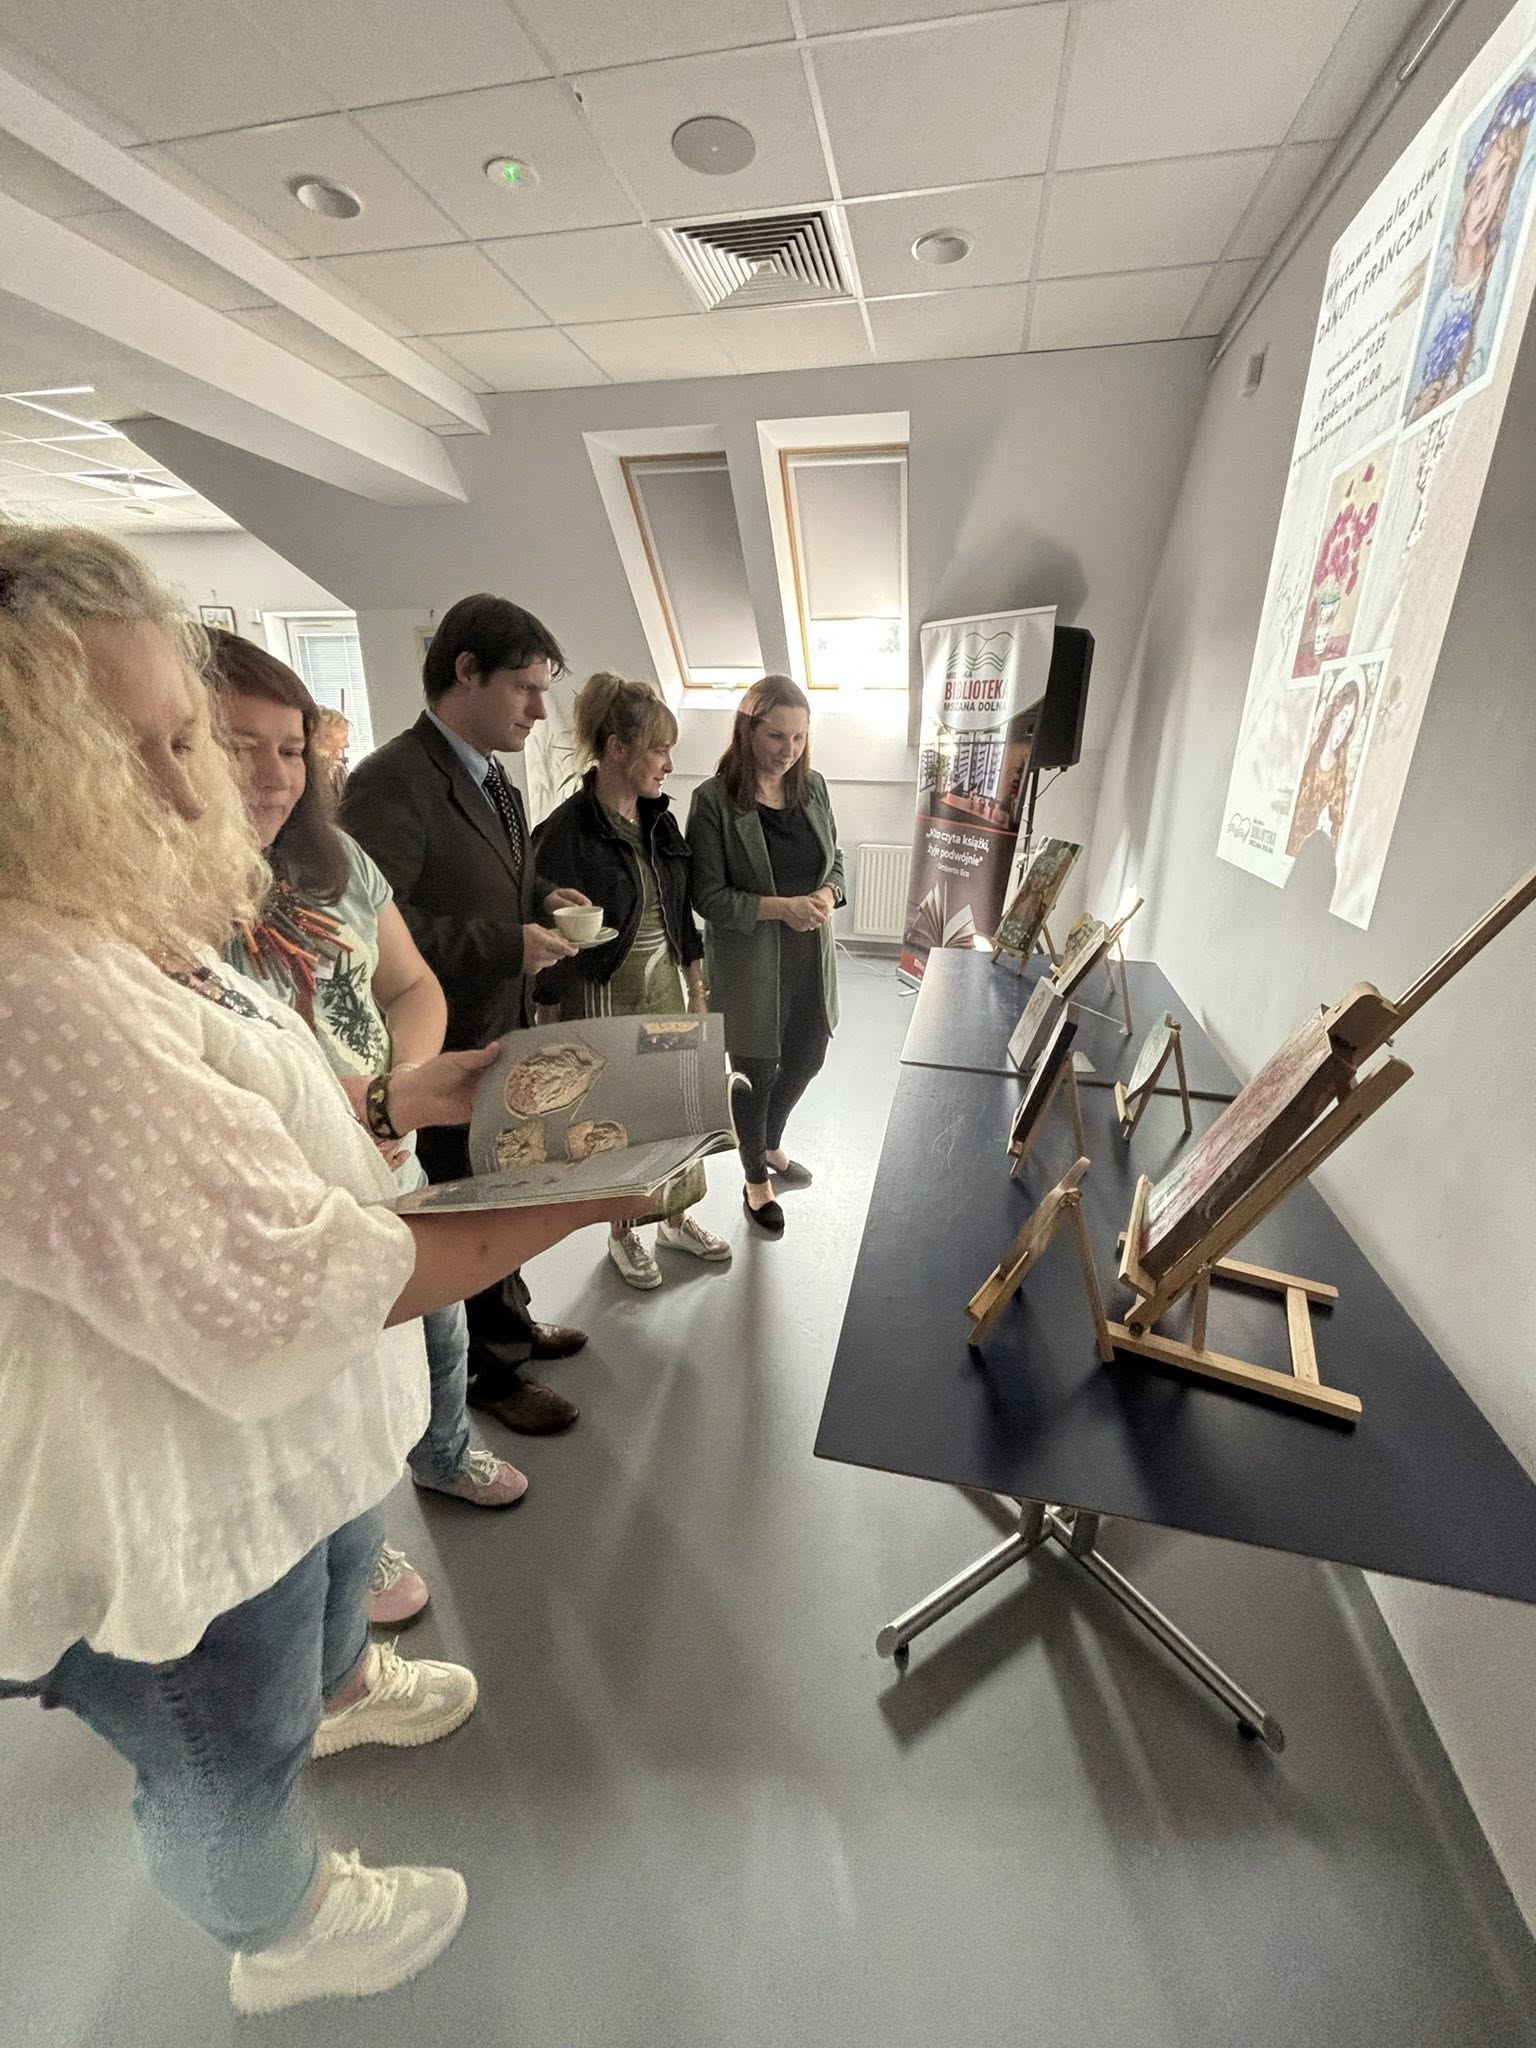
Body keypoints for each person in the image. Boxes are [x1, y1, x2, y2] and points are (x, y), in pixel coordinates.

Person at [0, 524, 637, 2011]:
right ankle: (276, 1929)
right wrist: (568, 1197)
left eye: (187, 740)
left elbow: (250, 1102)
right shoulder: (38, 993)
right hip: (166, 1489)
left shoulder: (116, 917)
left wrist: (396, 1097)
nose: (195, 793)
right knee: (223, 1754)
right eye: (124, 755)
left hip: (274, 1437)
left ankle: (343, 1685)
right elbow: (279, 1290)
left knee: (330, 1581)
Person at [207, 632, 528, 1625]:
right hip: (287, 1186)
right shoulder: (171, 904)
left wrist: (398, 1088)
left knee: (436, 1325)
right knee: (331, 1375)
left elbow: (411, 984)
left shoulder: (336, 862)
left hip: (387, 1148)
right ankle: (354, 1526)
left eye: (291, 748)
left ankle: (441, 1452)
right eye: (238, 747)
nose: (275, 774)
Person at [342, 594, 590, 1435]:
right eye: (525, 687)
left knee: (503, 1183)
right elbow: (372, 926)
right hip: (437, 1044)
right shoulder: (391, 781)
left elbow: (499, 878)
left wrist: (543, 897)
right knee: (463, 1206)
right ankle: (491, 1373)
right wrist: (502, 944)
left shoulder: (491, 773)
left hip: (497, 1024)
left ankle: (511, 1321)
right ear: (466, 672)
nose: (539, 710)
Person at [532, 672, 732, 1289]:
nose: (669, 764)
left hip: (662, 985)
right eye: (658, 750)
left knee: (675, 1108)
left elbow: (679, 912)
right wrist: (547, 1013)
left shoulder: (659, 822)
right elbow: (547, 929)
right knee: (619, 1119)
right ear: (617, 749)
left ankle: (675, 1218)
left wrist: (696, 984)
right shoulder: (566, 831)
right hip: (603, 993)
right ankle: (623, 1232)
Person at [687, 675, 845, 1238]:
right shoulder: (713, 802)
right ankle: (755, 1178)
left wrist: (827, 894)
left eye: (799, 737)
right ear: (747, 730)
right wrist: (782, 909)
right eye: (777, 736)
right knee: (755, 1073)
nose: (789, 750)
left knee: (808, 1057)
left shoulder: (814, 787)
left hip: (809, 957)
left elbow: (835, 862)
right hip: (751, 966)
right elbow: (708, 898)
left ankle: (770, 1142)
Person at [1407, 73, 1536, 423]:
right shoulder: (1441, 296)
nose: (1486, 203)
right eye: (1479, 186)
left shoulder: (1500, 262)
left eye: (1502, 175)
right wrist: (1419, 409)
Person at [1286, 677, 1361, 856]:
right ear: (1333, 716)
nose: (1342, 731)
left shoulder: (1338, 778)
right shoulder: (1310, 758)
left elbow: (1335, 827)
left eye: (1348, 725)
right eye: (1342, 719)